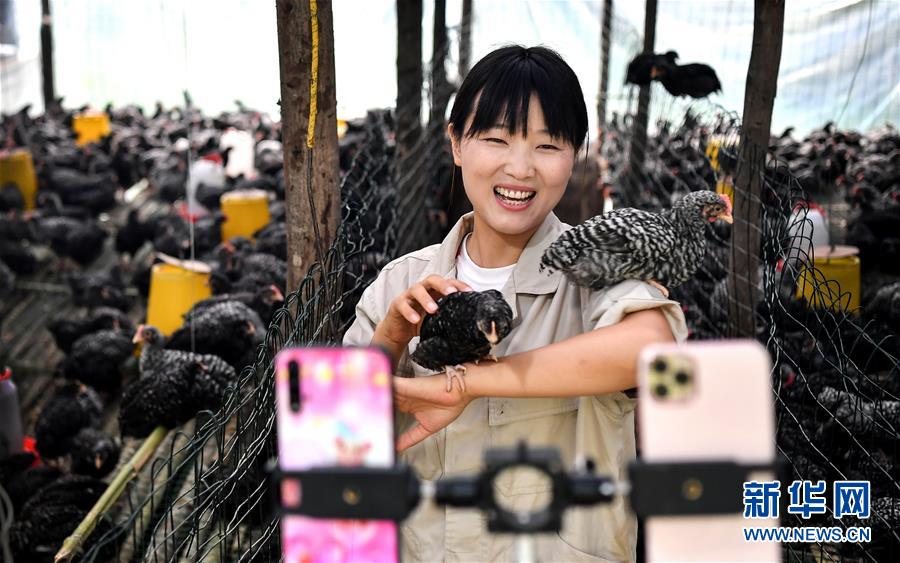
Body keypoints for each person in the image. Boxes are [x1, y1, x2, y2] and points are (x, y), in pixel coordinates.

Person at [343, 45, 687, 562]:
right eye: (496, 140)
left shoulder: (595, 270)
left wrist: (465, 384)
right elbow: (339, 439)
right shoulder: (400, 283)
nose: (520, 168)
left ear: (576, 153)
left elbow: (652, 349)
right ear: (456, 144)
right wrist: (391, 340)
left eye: (547, 145)